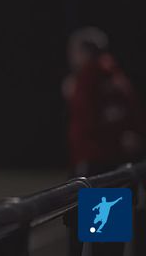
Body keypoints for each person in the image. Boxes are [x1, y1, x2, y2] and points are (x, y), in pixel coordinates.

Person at [62, 26, 145, 177]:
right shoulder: (115, 75)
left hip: (93, 156)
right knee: (115, 192)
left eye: (75, 52)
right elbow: (133, 111)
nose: (71, 57)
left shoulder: (87, 77)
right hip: (118, 156)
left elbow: (87, 120)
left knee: (91, 192)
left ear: (86, 52)